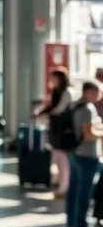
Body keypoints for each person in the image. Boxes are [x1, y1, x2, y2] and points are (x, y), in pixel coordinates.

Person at [67, 81, 103, 227]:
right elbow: (88, 135)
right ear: (88, 92)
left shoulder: (75, 105)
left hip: (74, 151)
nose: (99, 96)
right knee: (85, 192)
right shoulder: (88, 109)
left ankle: (72, 221)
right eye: (97, 92)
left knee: (74, 188)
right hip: (87, 154)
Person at [35, 68, 75, 198]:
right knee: (56, 157)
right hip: (55, 129)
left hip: (64, 130)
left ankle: (64, 186)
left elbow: (59, 109)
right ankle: (58, 183)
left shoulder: (67, 92)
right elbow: (52, 107)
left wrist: (45, 113)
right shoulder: (55, 92)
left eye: (54, 78)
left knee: (63, 160)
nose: (51, 81)